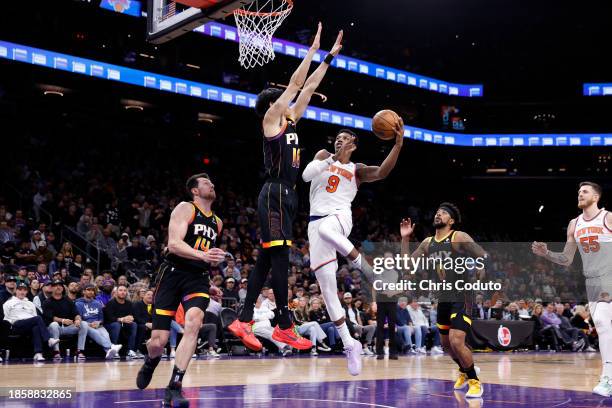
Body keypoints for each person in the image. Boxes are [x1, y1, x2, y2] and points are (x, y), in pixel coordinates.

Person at [229, 23, 343, 354]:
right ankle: (283, 324)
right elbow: (295, 84)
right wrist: (311, 49)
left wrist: (329, 58)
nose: (289, 102)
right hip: (275, 192)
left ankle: (244, 318)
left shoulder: (290, 121)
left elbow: (306, 89)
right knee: (281, 259)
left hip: (289, 195)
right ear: (272, 106)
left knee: (267, 258)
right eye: (281, 101)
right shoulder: (270, 121)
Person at [301, 116, 404, 372]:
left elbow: (382, 172)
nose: (339, 141)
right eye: (337, 138)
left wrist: (398, 144)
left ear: (354, 144)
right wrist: (329, 158)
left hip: (339, 218)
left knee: (327, 228)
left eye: (345, 138)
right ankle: (350, 344)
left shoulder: (356, 169)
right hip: (315, 224)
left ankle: (365, 268)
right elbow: (306, 175)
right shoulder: (324, 155)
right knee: (326, 288)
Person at [136, 173, 226, 407]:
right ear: (195, 190)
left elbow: (205, 252)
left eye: (212, 182)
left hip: (198, 278)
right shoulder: (186, 208)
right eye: (207, 183)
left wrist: (210, 272)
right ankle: (150, 360)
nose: (212, 184)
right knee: (158, 341)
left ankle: (175, 386)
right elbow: (174, 244)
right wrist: (203, 255)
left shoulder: (217, 222)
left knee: (194, 322)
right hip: (173, 274)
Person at [532, 181, 612, 397]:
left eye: (584, 191)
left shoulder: (608, 218)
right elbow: (567, 259)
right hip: (593, 281)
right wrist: (547, 253)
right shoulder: (574, 224)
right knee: (604, 326)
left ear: (596, 197)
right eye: (578, 192)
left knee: (604, 322)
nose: (580, 194)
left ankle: (607, 377)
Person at [400, 203, 487, 398]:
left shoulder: (459, 237)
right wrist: (405, 239)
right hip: (444, 297)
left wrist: (481, 267)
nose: (439, 214)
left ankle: (475, 382)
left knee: (457, 341)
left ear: (452, 220)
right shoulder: (427, 243)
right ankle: (465, 370)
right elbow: (407, 266)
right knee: (447, 345)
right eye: (438, 211)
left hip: (463, 295)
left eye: (444, 213)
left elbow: (482, 254)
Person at [3, 282, 60, 361]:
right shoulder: (8, 303)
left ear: (27, 292)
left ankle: (38, 353)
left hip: (29, 324)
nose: (22, 292)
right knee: (38, 318)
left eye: (24, 290)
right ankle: (48, 339)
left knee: (36, 327)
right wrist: (10, 326)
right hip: (16, 324)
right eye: (20, 290)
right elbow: (6, 317)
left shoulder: (30, 303)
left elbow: (33, 315)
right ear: (16, 291)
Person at [43, 280, 88, 361]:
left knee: (84, 324)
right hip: (54, 328)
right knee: (54, 324)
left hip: (68, 327)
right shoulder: (47, 301)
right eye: (55, 285)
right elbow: (50, 317)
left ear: (63, 288)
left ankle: (79, 350)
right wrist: (63, 320)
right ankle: (56, 352)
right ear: (52, 288)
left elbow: (76, 313)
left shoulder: (68, 300)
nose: (58, 287)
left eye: (60, 285)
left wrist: (78, 319)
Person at [76, 283, 123, 359]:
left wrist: (99, 322)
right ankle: (111, 346)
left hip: (98, 325)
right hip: (85, 326)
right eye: (88, 290)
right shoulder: (78, 303)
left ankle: (108, 351)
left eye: (92, 290)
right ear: (83, 292)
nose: (91, 292)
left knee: (106, 335)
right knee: (96, 333)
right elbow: (78, 318)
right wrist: (89, 324)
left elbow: (101, 318)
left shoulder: (97, 303)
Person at [103, 284, 141, 359]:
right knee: (116, 325)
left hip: (124, 323)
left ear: (126, 293)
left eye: (124, 290)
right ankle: (114, 350)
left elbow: (132, 315)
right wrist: (121, 319)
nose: (122, 292)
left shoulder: (129, 303)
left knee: (134, 324)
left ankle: (130, 350)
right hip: (110, 324)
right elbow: (109, 318)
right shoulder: (111, 303)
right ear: (116, 292)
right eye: (120, 290)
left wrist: (130, 318)